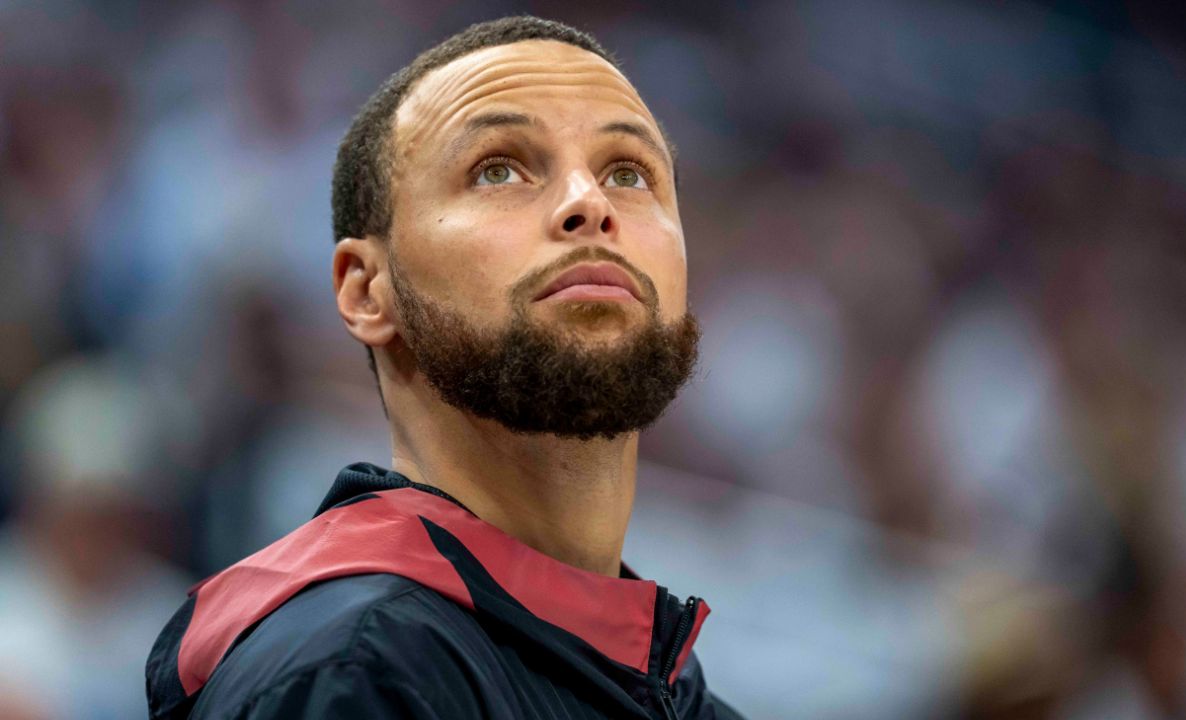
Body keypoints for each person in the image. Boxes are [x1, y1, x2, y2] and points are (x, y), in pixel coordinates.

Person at [146, 15, 742, 720]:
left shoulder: (673, 691)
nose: (591, 202)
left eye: (629, 173)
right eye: (498, 169)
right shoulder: (356, 672)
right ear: (367, 292)